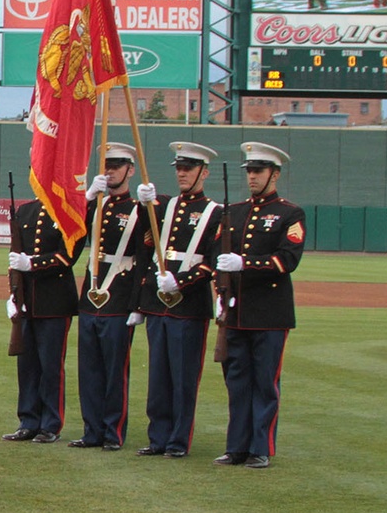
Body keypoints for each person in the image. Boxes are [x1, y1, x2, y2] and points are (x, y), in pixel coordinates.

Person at [214, 143, 305, 469]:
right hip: (236, 314)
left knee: (265, 384)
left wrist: (245, 263)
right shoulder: (235, 212)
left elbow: (286, 260)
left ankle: (260, 447)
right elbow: (219, 259)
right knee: (237, 383)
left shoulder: (289, 213)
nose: (252, 176)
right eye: (250, 171)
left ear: (275, 174)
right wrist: (220, 293)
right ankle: (236, 447)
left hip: (269, 313)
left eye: (259, 171)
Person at [135, 142, 221, 459]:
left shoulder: (215, 212)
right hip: (159, 304)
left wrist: (181, 281)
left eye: (189, 168)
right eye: (179, 168)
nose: (182, 173)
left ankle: (177, 440)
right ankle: (158, 437)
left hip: (188, 305)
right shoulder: (166, 205)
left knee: (183, 377)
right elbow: (145, 236)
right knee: (158, 376)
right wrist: (145, 205)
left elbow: (211, 262)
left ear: (204, 172)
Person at [70, 143, 154, 452]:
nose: (111, 170)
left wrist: (137, 303)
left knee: (115, 370)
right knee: (89, 369)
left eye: (117, 165)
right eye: (107, 165)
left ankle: (112, 431)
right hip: (91, 296)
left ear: (130, 170)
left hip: (119, 295)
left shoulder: (137, 209)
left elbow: (146, 256)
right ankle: (91, 430)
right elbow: (73, 232)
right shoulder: (96, 204)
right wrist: (88, 197)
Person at [3, 193, 77, 443]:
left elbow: (66, 257)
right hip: (28, 304)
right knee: (27, 367)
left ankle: (51, 424)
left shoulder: (67, 212)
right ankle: (28, 421)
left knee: (51, 367)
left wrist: (32, 264)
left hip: (54, 303)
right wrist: (13, 295)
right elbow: (14, 258)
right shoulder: (24, 212)